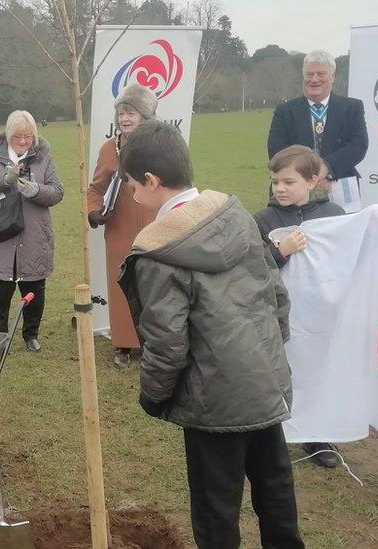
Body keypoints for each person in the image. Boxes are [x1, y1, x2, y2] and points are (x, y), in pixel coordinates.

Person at [117, 121, 303, 548]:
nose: (131, 194)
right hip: (262, 382)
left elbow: (166, 341)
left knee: (215, 507)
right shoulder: (237, 215)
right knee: (275, 489)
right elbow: (278, 299)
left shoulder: (160, 251)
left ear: (151, 180)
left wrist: (154, 395)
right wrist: (266, 358)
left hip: (213, 401)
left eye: (131, 184)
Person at [253, 145, 345, 468]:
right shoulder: (263, 220)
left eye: (289, 182)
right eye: (275, 181)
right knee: (281, 369)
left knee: (317, 371)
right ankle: (274, 433)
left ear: (312, 180)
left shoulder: (334, 216)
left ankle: (316, 436)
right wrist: (281, 251)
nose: (279, 188)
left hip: (321, 314)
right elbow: (251, 267)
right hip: (281, 314)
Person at [0, 110, 64, 351]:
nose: (23, 142)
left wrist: (34, 190)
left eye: (28, 137)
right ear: (8, 135)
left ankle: (31, 334)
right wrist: (6, 178)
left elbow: (57, 191)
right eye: (17, 137)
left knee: (34, 289)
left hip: (34, 237)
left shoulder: (44, 159)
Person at [86, 82, 158, 367]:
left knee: (155, 286)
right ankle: (124, 344)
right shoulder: (109, 149)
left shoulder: (160, 145)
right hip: (119, 229)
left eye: (131, 112)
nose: (125, 118)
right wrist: (94, 212)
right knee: (121, 286)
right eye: (122, 112)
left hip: (155, 227)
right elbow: (95, 189)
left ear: (145, 116)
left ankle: (155, 344)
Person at [267, 50, 368, 203]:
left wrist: (326, 169)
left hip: (341, 183)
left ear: (332, 77)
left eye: (321, 74)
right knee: (295, 228)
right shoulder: (285, 111)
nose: (314, 79)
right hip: (295, 189)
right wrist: (308, 178)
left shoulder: (352, 107)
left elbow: (358, 145)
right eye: (309, 74)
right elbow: (277, 150)